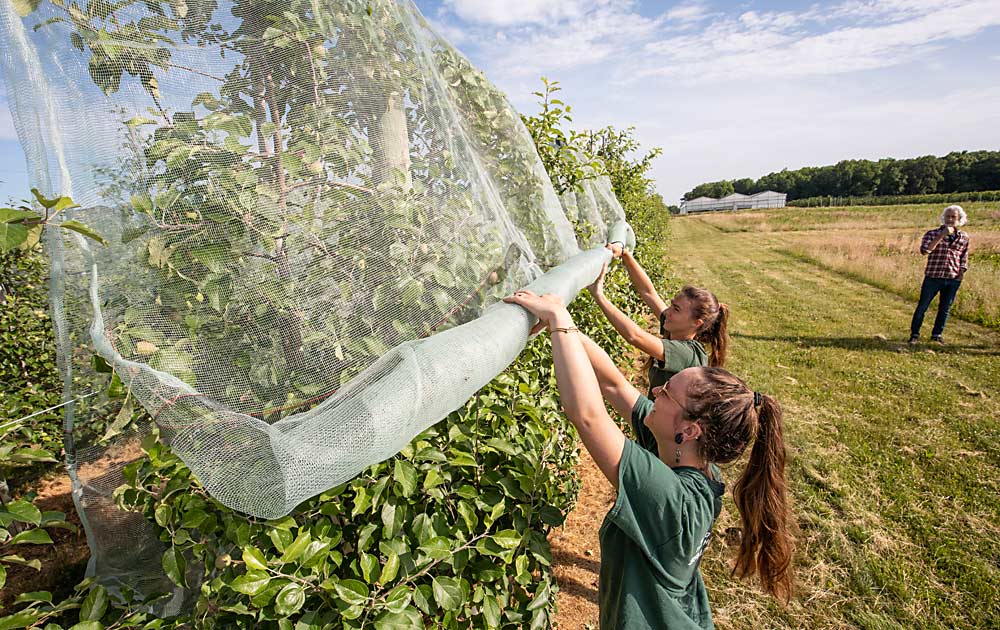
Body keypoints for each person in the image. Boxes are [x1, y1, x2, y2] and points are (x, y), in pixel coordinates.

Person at [504, 290, 793, 629]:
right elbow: (613, 385)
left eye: (667, 392)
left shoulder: (670, 496)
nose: (655, 391)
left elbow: (587, 415)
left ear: (690, 429)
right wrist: (566, 328)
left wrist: (559, 323)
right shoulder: (686, 457)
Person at [592, 243, 729, 396]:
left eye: (676, 309)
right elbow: (648, 292)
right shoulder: (676, 327)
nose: (667, 312)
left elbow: (635, 336)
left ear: (697, 323)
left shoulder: (689, 354)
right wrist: (625, 255)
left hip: (665, 419)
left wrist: (599, 295)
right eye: (672, 305)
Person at [909, 205, 970, 345]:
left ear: (959, 219)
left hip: (952, 278)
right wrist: (941, 235)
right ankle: (914, 334)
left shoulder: (964, 237)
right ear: (943, 218)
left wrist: (961, 272)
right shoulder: (931, 234)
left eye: (953, 217)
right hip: (933, 276)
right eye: (947, 216)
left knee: (945, 308)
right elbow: (925, 251)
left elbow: (964, 257)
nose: (950, 219)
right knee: (922, 306)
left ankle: (937, 334)